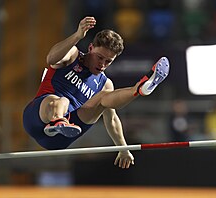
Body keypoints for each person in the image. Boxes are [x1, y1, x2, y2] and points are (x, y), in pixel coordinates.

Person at [23, 16, 170, 169]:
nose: (102, 65)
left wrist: (123, 148)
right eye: (99, 57)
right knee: (62, 101)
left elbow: (111, 119)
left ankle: (138, 89)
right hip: (37, 118)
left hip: (61, 138)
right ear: (91, 48)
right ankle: (58, 120)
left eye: (108, 61)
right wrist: (78, 36)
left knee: (103, 98)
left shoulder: (104, 83)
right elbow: (51, 58)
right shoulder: (72, 55)